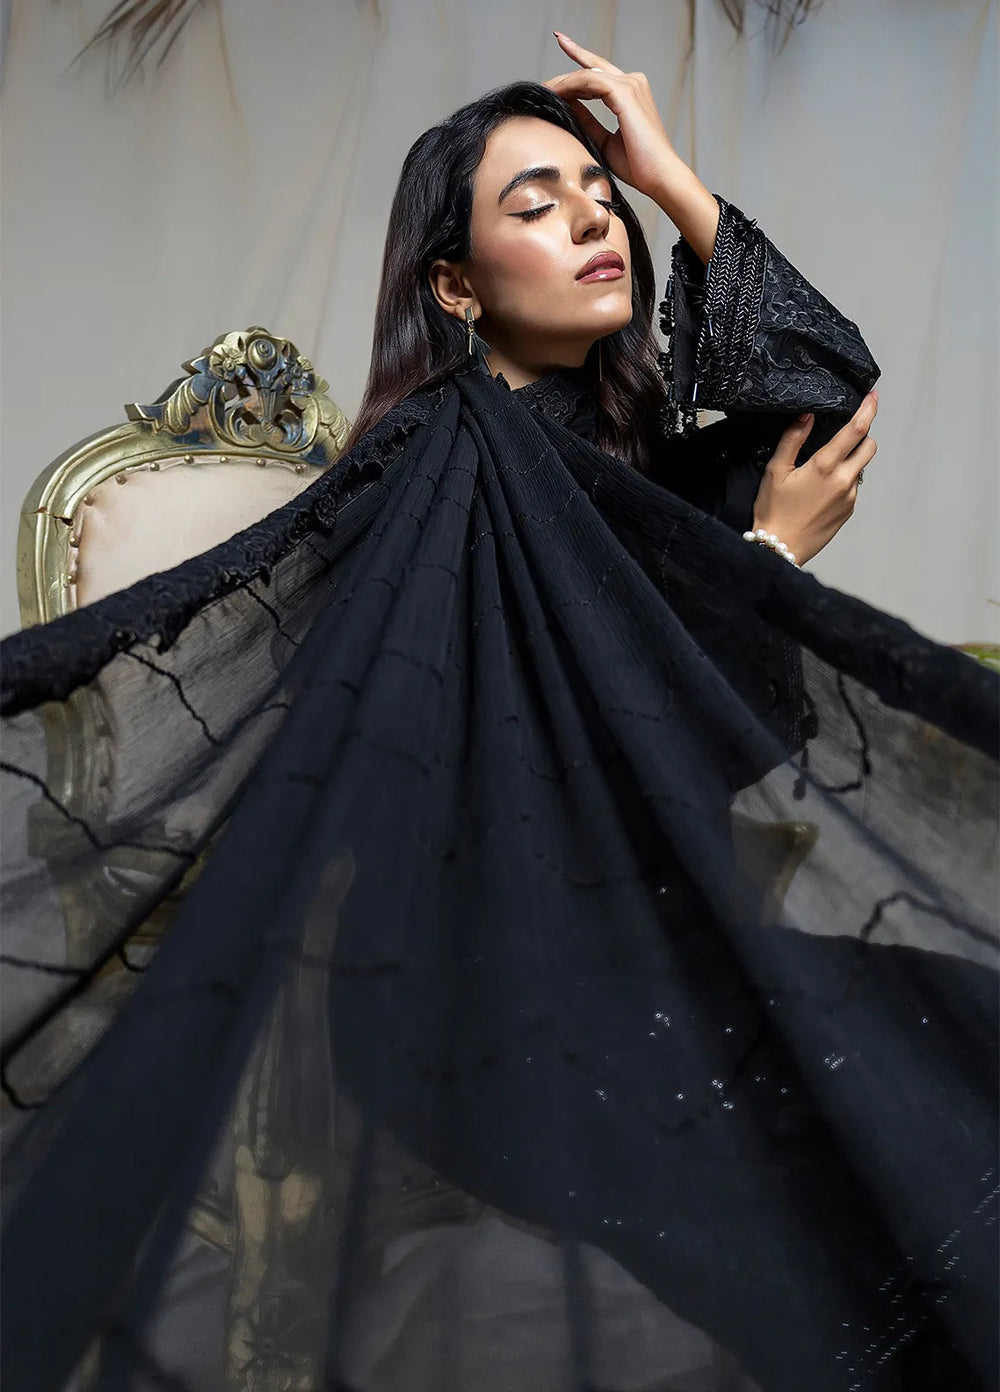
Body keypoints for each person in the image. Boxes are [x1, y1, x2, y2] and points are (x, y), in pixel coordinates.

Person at [1, 34, 996, 1392]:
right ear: (457, 287)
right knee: (874, 1188)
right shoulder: (438, 462)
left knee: (961, 1050)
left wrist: (670, 174)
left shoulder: (637, 473)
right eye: (538, 204)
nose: (594, 219)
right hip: (498, 995)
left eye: (601, 197)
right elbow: (523, 781)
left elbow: (830, 391)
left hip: (672, 953)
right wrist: (763, 567)